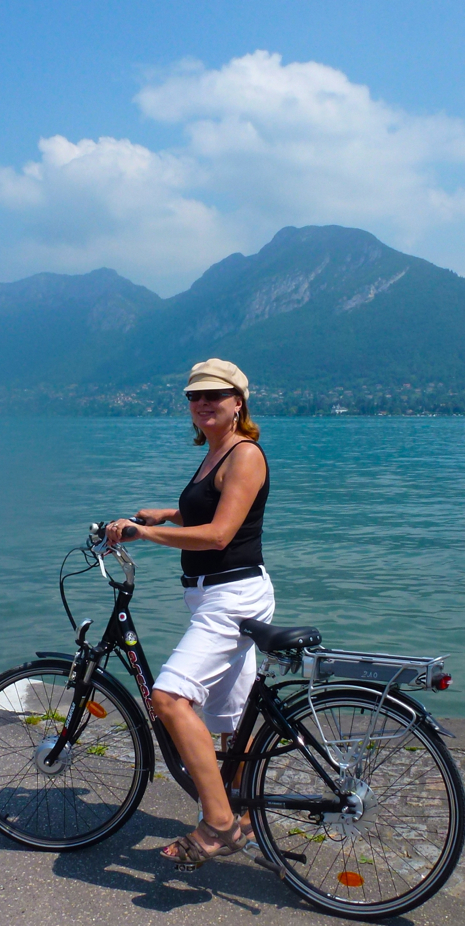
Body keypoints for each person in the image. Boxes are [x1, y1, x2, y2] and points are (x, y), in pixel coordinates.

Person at [105, 358, 273, 867]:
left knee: (169, 698)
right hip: (213, 594)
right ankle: (245, 816)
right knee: (232, 718)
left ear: (238, 402)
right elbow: (211, 508)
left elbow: (220, 534)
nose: (202, 403)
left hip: (233, 596)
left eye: (214, 395)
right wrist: (168, 513)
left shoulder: (245, 455)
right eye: (194, 396)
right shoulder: (216, 453)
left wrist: (146, 532)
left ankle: (219, 824)